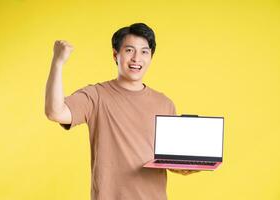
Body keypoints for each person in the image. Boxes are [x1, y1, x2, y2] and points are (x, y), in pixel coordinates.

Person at [45, 23, 199, 200]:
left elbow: (167, 158)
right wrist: (58, 62)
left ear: (151, 57)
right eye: (129, 50)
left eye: (144, 52)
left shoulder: (165, 103)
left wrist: (184, 167)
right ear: (115, 55)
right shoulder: (96, 96)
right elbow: (54, 112)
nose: (136, 58)